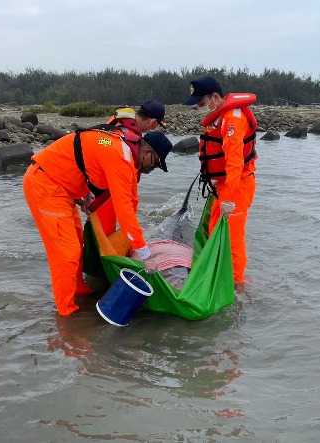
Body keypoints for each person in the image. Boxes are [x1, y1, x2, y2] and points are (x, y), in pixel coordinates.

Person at [23, 126, 173, 316]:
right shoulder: (120, 158)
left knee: (77, 244)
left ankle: (77, 289)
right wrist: (143, 252)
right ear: (147, 151)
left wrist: (84, 195)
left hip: (64, 189)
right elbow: (124, 209)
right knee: (67, 252)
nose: (152, 169)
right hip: (45, 185)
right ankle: (66, 313)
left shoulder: (118, 145)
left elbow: (87, 158)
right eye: (155, 163)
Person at [184, 76, 258, 289]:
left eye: (202, 102)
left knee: (232, 238)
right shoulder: (221, 115)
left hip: (238, 185)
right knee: (214, 226)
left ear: (214, 97)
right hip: (226, 184)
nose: (201, 107)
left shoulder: (233, 119)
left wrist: (228, 199)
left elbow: (235, 163)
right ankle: (218, 273)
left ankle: (237, 285)